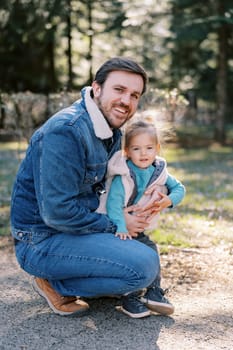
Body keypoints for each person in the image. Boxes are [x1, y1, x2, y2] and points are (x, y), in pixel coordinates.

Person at [10, 57, 161, 317]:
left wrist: (153, 192)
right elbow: (57, 212)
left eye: (134, 95)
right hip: (42, 240)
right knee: (143, 267)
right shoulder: (66, 132)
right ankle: (55, 283)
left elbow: (114, 181)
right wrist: (117, 223)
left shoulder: (109, 128)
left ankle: (96, 276)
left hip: (76, 231)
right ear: (97, 88)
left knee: (145, 253)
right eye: (119, 90)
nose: (126, 101)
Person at [97, 120, 185, 318]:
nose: (143, 153)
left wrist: (168, 201)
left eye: (149, 148)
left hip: (139, 229)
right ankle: (130, 297)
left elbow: (180, 189)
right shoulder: (124, 175)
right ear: (127, 151)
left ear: (157, 149)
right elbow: (113, 203)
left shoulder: (158, 170)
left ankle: (154, 292)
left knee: (151, 251)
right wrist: (120, 227)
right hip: (119, 229)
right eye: (136, 148)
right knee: (130, 259)